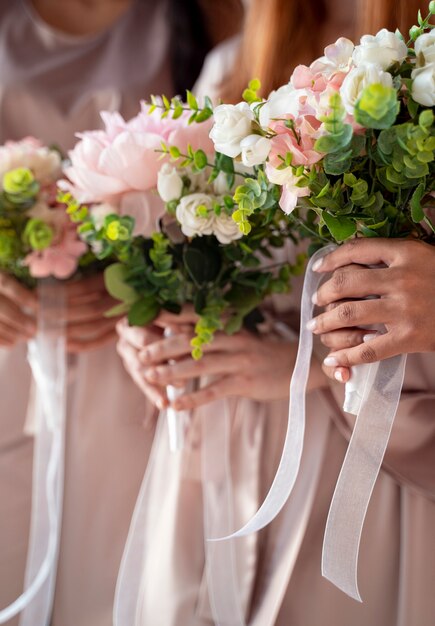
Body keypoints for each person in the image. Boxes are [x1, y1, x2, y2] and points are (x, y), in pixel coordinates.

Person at [116, 0, 435, 624]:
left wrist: (312, 362)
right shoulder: (232, 71)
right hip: (228, 461)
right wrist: (149, 318)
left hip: (374, 470)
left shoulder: (424, 70)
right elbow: (183, 248)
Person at [0, 1, 243, 625]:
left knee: (112, 571)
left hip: (132, 352)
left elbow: (229, 188)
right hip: (11, 344)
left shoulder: (197, 17)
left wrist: (138, 282)